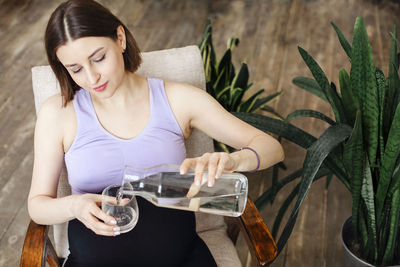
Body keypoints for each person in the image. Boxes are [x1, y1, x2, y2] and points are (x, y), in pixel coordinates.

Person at [27, 0, 285, 266]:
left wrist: (233, 161)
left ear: (120, 38)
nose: (92, 78)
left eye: (99, 58)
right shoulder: (58, 113)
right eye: (76, 69)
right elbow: (37, 204)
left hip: (181, 258)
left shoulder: (177, 99)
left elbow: (271, 148)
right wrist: (74, 206)